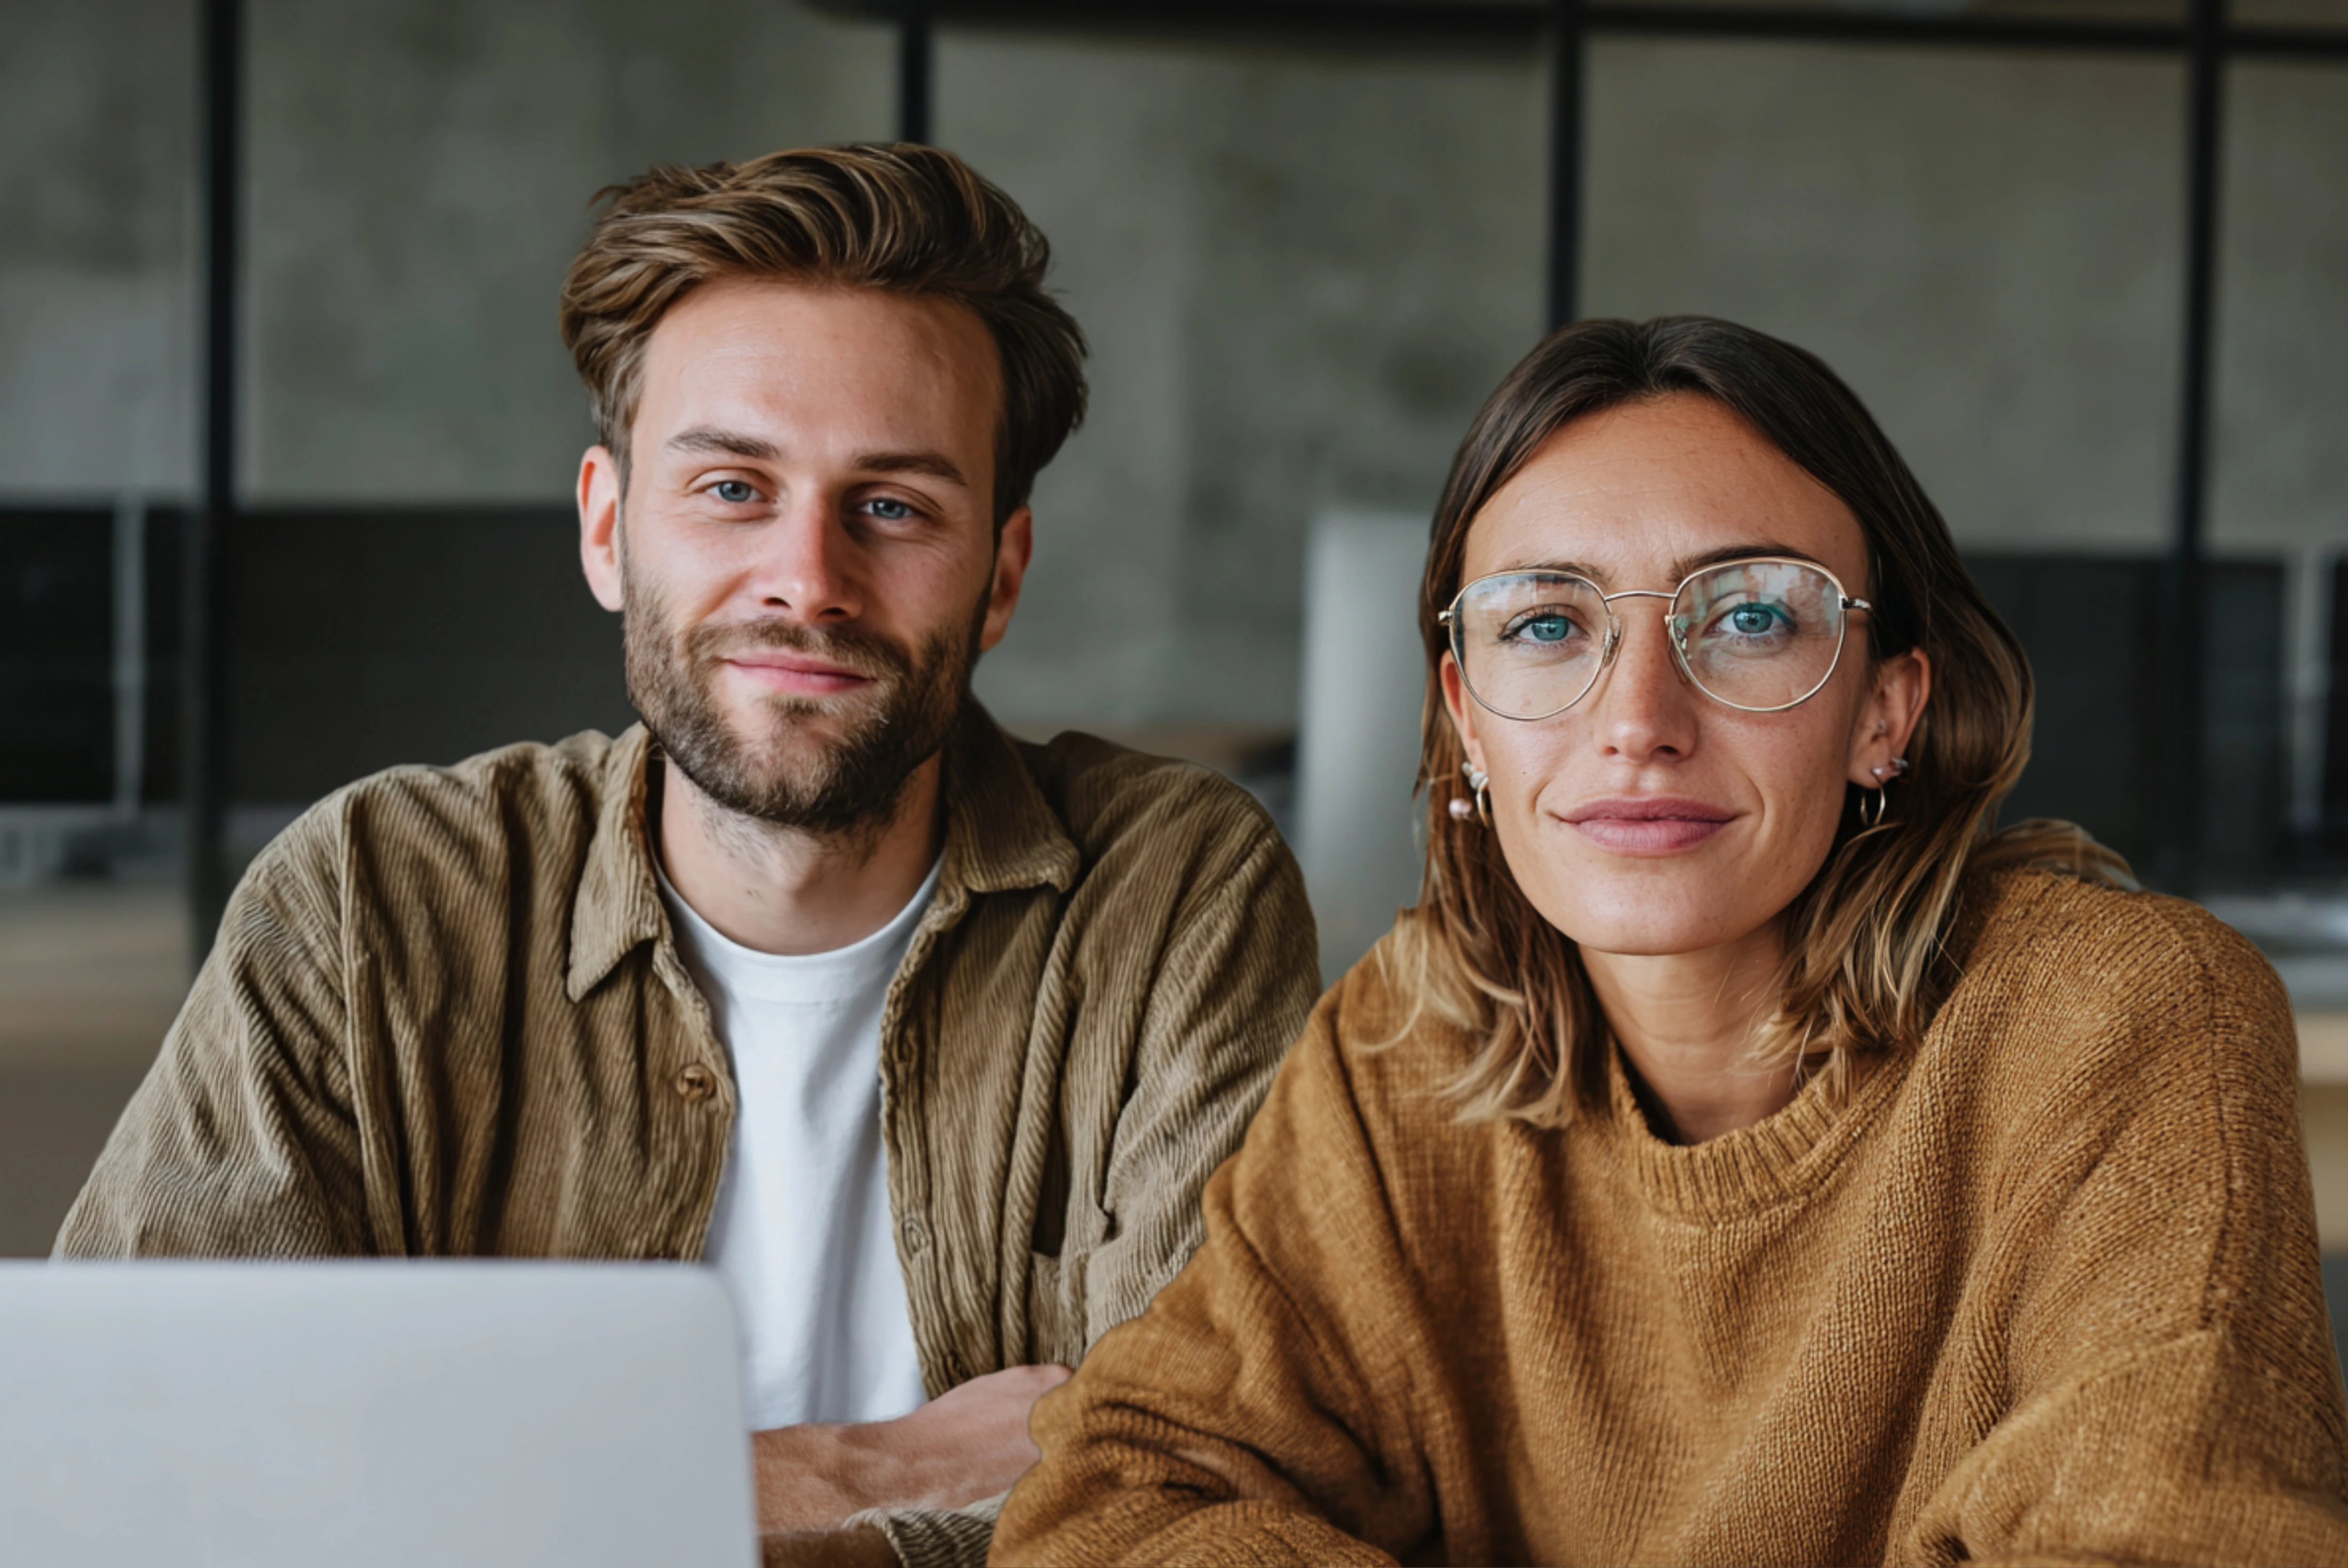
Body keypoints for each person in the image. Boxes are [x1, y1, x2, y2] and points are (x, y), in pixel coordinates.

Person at [58, 145, 1320, 1568]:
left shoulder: (1166, 893)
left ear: (1004, 573)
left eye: (894, 507)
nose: (808, 579)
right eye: (733, 488)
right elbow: (142, 1462)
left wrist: (489, 1509)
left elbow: (1208, 1480)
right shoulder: (371, 900)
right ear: (610, 528)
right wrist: (854, 1468)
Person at [991, 316, 2348, 1566]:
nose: (1638, 716)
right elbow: (1119, 1497)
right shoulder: (1408, 1038)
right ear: (1468, 716)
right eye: (1545, 622)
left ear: (1886, 709)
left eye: (1750, 615)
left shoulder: (2118, 1017)